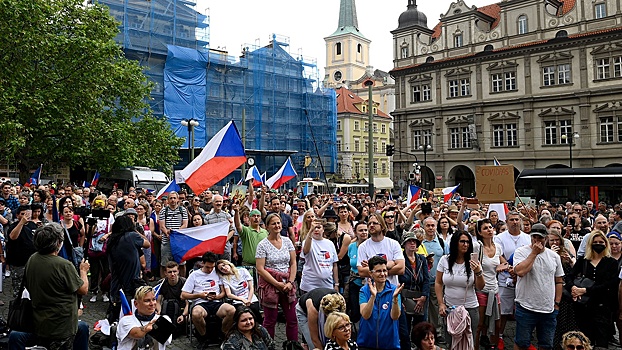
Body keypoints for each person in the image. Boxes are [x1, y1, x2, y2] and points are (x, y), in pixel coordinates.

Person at [24, 223, 90, 349]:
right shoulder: (63, 265)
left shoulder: (33, 259)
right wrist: (83, 271)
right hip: (61, 325)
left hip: (40, 321)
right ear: (58, 242)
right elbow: (83, 289)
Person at [513, 223, 564, 350]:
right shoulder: (521, 252)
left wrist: (557, 303)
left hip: (548, 309)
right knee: (522, 343)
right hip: (526, 307)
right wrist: (534, 253)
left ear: (546, 238)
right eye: (534, 237)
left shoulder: (554, 256)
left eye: (540, 237)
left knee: (546, 345)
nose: (537, 240)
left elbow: (559, 281)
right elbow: (520, 272)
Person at [567, 230, 618, 347]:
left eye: (601, 242)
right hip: (583, 308)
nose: (598, 244)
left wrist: (585, 290)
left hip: (602, 308)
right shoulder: (583, 261)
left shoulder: (611, 263)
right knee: (584, 341)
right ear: (590, 244)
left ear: (606, 244)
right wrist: (573, 288)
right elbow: (570, 276)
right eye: (595, 242)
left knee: (602, 342)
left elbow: (609, 284)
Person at [435, 231, 485, 348]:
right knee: (451, 341)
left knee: (468, 342)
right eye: (462, 241)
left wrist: (478, 272)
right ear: (455, 243)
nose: (465, 244)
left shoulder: (473, 262)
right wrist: (441, 304)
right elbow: (438, 282)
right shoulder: (445, 260)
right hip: (450, 308)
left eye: (468, 242)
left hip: (470, 308)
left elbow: (480, 287)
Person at [255, 213, 298, 341]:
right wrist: (276, 283)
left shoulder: (287, 241)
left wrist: (290, 282)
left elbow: (293, 263)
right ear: (267, 226)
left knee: (292, 319)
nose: (277, 225)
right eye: (273, 223)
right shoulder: (262, 245)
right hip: (270, 285)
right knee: (270, 320)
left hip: (287, 283)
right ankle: (268, 345)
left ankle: (293, 346)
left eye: (278, 223)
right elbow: (260, 268)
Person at [493, 211, 530, 347]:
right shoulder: (500, 238)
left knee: (524, 310)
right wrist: (510, 269)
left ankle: (523, 339)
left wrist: (518, 272)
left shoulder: (527, 238)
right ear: (507, 222)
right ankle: (500, 337)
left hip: (523, 278)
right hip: (505, 277)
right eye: (512, 220)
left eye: (517, 220)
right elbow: (499, 254)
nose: (515, 222)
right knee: (503, 310)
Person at [181, 252, 236, 339]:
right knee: (196, 314)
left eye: (212, 267)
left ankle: (223, 333)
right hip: (201, 303)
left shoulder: (217, 272)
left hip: (216, 302)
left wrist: (218, 296)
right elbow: (183, 295)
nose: (210, 270)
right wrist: (199, 295)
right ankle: (203, 336)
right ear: (202, 263)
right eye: (207, 267)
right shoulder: (194, 275)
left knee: (231, 310)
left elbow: (223, 292)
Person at [107, 215, 151, 322]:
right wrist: (135, 230)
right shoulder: (131, 236)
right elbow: (147, 244)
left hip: (116, 283)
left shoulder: (111, 240)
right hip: (132, 284)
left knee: (117, 316)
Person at [358, 255, 404, 350]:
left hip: (389, 344)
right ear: (371, 273)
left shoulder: (394, 290)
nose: (383, 274)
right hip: (367, 344)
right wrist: (373, 296)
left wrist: (395, 299)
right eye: (379, 271)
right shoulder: (364, 291)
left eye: (385, 270)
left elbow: (395, 316)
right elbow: (365, 315)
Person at [475, 219, 507, 350]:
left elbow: (505, 263)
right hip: (481, 290)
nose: (489, 230)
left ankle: (493, 346)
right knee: (480, 324)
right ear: (479, 232)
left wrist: (502, 266)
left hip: (494, 290)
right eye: (485, 228)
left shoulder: (498, 247)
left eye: (490, 227)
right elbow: (471, 265)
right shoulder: (477, 247)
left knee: (496, 323)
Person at [548, 228, 578, 350]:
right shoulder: (546, 253)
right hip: (552, 293)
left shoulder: (565, 252)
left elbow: (574, 272)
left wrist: (571, 261)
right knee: (555, 324)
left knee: (567, 322)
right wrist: (551, 255)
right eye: (552, 241)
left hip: (567, 294)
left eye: (557, 240)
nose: (555, 243)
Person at [117, 285, 173, 350]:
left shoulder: (164, 319)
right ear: (136, 304)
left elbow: (166, 340)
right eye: (147, 301)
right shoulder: (126, 320)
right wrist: (146, 329)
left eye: (154, 299)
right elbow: (136, 333)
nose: (152, 304)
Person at [398, 231, 430, 335]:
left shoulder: (422, 259)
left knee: (420, 328)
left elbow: (426, 279)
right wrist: (400, 300)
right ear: (404, 244)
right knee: (405, 328)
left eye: (414, 241)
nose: (412, 243)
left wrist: (424, 296)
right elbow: (397, 280)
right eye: (409, 241)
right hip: (405, 296)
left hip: (420, 296)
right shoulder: (400, 259)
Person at [300, 219, 339, 293]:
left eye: (318, 227)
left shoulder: (330, 243)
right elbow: (306, 250)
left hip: (327, 284)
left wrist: (336, 283)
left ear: (323, 229)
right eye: (314, 228)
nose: (316, 230)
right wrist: (310, 231)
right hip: (309, 285)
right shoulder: (307, 242)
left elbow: (334, 265)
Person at [7, 205, 38, 297]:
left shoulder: (33, 225)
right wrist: (21, 223)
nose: (26, 216)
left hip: (31, 262)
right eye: (23, 214)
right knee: (19, 290)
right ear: (17, 215)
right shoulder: (13, 226)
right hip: (18, 263)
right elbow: (13, 237)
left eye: (27, 214)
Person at [159, 191, 188, 277]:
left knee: (182, 263)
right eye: (170, 198)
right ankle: (163, 283)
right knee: (164, 264)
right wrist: (167, 233)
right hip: (166, 241)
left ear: (178, 199)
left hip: (180, 242)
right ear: (167, 200)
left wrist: (176, 234)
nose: (172, 200)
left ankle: (183, 282)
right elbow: (162, 226)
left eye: (174, 198)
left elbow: (185, 224)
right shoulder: (163, 211)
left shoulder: (182, 210)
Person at [156, 261, 189, 336]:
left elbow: (188, 303)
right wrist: (159, 312)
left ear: (178, 271)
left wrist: (183, 315)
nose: (172, 274)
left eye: (174, 271)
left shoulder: (184, 282)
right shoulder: (161, 283)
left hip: (182, 309)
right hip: (167, 308)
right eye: (170, 272)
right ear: (165, 273)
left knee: (189, 317)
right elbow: (158, 301)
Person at [346, 221, 368, 323]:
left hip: (368, 283)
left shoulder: (371, 246)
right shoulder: (351, 246)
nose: (364, 232)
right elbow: (351, 261)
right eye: (361, 230)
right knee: (355, 311)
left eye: (365, 230)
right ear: (355, 232)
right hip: (354, 282)